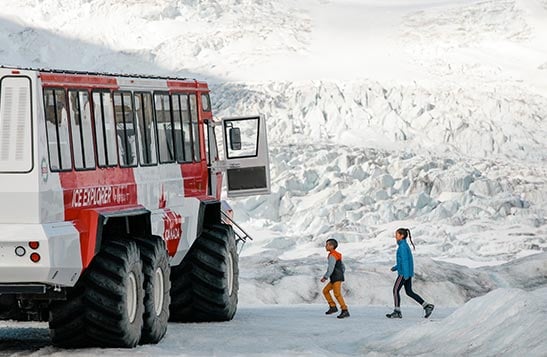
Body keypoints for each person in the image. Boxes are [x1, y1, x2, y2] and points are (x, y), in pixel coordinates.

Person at [386, 228, 434, 319]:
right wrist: (396, 267)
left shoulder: (403, 246)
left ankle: (397, 311)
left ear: (402, 236)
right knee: (409, 292)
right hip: (406, 272)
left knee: (395, 290)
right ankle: (427, 306)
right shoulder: (403, 245)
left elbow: (405, 261)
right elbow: (404, 261)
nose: (395, 236)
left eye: (397, 234)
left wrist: (405, 275)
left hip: (404, 273)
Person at [320, 238, 350, 319]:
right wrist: (340, 274)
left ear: (332, 246)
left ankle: (345, 310)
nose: (325, 246)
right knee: (325, 291)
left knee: (337, 294)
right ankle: (333, 306)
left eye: (327, 245)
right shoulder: (337, 254)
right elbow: (343, 267)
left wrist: (325, 277)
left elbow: (331, 268)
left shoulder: (332, 255)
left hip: (336, 278)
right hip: (336, 277)